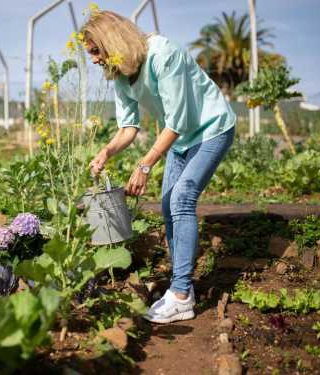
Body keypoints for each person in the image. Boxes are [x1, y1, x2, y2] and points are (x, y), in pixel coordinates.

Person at [83, 10, 236, 324]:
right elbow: (128, 127)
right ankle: (182, 288)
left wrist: (145, 164)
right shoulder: (120, 73)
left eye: (95, 51)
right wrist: (106, 151)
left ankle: (181, 294)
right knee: (168, 205)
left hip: (211, 128)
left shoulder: (163, 54)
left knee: (182, 199)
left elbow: (178, 121)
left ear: (110, 41)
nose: (94, 60)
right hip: (180, 139)